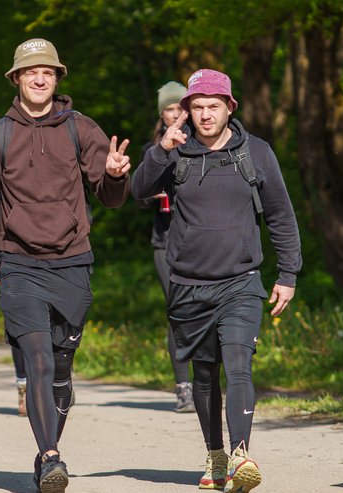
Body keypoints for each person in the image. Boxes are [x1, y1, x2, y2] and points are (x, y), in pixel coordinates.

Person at [0, 38, 131, 492]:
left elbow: (110, 196)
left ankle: (48, 445)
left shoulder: (81, 128)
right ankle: (50, 456)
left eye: (48, 72)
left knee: (60, 367)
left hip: (73, 261)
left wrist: (116, 175)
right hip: (18, 263)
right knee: (36, 359)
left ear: (57, 79)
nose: (39, 78)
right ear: (16, 78)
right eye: (30, 72)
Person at [131, 68, 302, 493]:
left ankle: (242, 453)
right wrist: (159, 150)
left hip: (241, 281)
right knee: (205, 375)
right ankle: (216, 453)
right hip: (188, 284)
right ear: (185, 111)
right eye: (197, 107)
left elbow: (281, 214)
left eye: (213, 106)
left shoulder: (256, 153)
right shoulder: (173, 151)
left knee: (239, 364)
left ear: (229, 108)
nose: (205, 115)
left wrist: (288, 273)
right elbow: (136, 192)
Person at [136, 81, 195, 413]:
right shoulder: (154, 149)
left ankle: (206, 381)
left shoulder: (201, 144)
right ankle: (182, 386)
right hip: (165, 241)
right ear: (162, 114)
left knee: (200, 312)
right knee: (177, 312)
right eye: (169, 110)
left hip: (198, 242)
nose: (175, 115)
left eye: (179, 109)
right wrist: (152, 195)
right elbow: (139, 194)